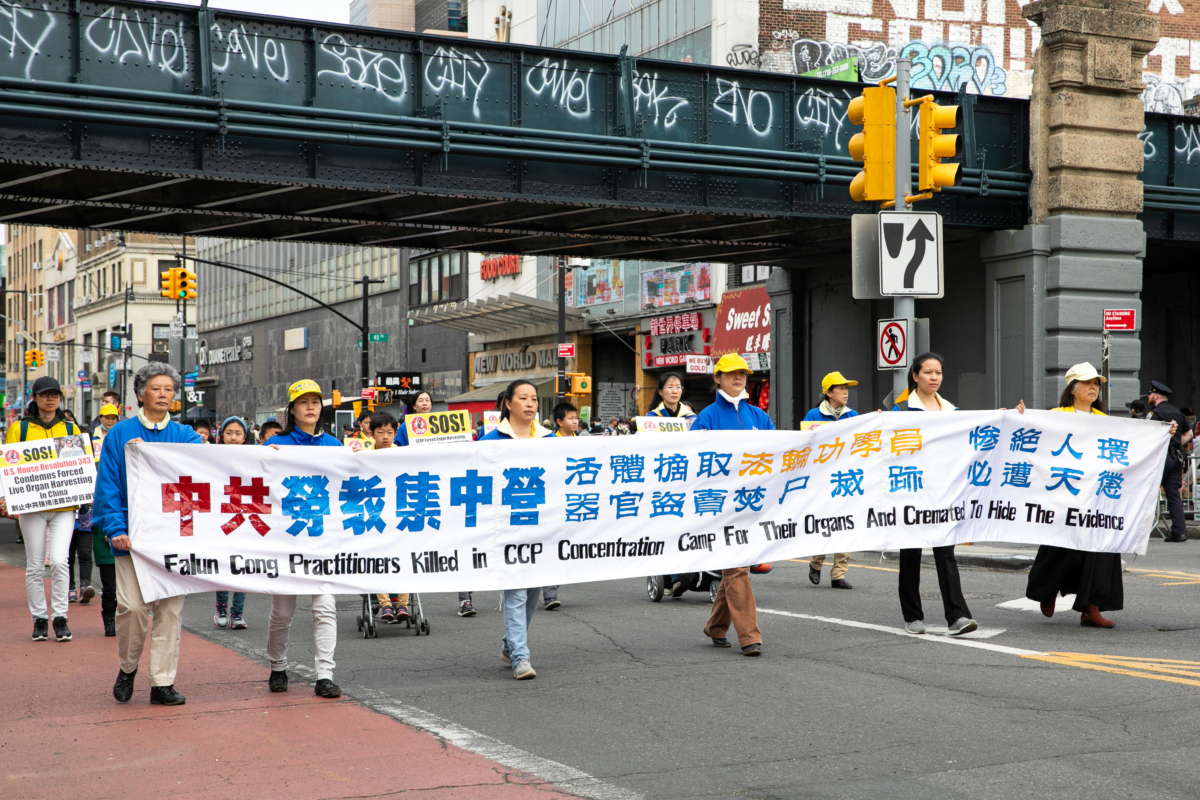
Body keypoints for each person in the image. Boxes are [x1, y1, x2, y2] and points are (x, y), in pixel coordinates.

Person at [94, 363, 202, 705]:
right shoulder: (119, 435)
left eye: (169, 389)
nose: (163, 394)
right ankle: (128, 668)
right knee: (132, 608)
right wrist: (115, 529)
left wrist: (264, 455)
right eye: (156, 388)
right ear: (140, 394)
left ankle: (162, 682)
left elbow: (213, 469)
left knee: (171, 610)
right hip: (132, 537)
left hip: (173, 537)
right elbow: (108, 486)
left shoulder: (186, 436)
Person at [1023, 363, 1129, 628]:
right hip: (1064, 493)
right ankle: (1046, 592)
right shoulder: (1056, 415)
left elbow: (1130, 444)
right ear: (1072, 389)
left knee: (1101, 549)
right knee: (1060, 547)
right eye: (1087, 382)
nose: (1093, 387)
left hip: (1096, 496)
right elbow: (1033, 437)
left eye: (1096, 383)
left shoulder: (1104, 419)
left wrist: (1163, 433)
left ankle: (1091, 608)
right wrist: (1020, 417)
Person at [263, 380, 343, 698]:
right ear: (292, 409)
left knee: (325, 608)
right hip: (287, 542)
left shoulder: (335, 446)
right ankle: (277, 666)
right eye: (303, 401)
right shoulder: (277, 446)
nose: (311, 406)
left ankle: (325, 675)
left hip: (323, 541)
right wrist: (265, 459)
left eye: (315, 401)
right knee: (282, 612)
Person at [691, 354, 773, 657]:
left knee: (734, 568)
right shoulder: (707, 418)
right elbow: (692, 463)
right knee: (737, 568)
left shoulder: (759, 416)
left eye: (742, 373)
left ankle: (715, 626)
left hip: (752, 505)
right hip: (719, 508)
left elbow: (777, 454)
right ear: (717, 378)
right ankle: (750, 637)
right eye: (731, 373)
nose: (738, 378)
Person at [892, 352, 978, 636]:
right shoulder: (901, 409)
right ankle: (912, 616)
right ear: (915, 376)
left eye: (938, 373)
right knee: (911, 553)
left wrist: (1008, 418)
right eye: (928, 372)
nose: (934, 377)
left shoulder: (952, 411)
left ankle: (957, 616)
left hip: (943, 492)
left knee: (946, 553)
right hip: (912, 491)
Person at [481, 379, 554, 679]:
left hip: (542, 525)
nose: (530, 404)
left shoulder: (550, 440)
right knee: (516, 591)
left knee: (534, 590)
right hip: (506, 527)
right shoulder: (490, 441)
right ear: (508, 403)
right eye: (523, 398)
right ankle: (520, 658)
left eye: (534, 399)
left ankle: (510, 645)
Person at [8, 377, 84, 642]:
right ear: (35, 397)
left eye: (54, 394)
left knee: (61, 561)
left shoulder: (72, 428)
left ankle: (60, 617)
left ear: (60, 398)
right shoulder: (20, 429)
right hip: (32, 506)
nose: (50, 399)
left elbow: (80, 467)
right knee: (35, 566)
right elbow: (9, 466)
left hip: (64, 506)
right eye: (45, 394)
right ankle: (39, 619)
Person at [803, 371, 860, 590]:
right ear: (828, 392)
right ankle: (816, 564)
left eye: (847, 388)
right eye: (841, 388)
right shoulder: (813, 416)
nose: (846, 392)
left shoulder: (852, 415)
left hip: (847, 478)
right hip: (822, 479)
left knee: (845, 523)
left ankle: (838, 574)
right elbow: (805, 445)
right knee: (824, 524)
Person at [367, 411, 410, 623]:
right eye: (380, 432)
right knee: (378, 560)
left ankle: (402, 604)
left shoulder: (403, 455)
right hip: (375, 515)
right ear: (372, 433)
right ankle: (385, 605)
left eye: (390, 432)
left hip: (399, 515)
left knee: (404, 558)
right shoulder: (363, 455)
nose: (385, 437)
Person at [213, 416, 251, 630]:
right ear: (221, 435)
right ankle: (221, 608)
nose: (233, 437)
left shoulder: (255, 456)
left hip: (245, 517)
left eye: (238, 433)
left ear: (245, 437)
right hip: (222, 517)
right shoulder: (211, 456)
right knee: (223, 565)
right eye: (229, 433)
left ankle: (237, 613)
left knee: (242, 566)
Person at [1147, 381, 1190, 543]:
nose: (1148, 397)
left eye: (1150, 394)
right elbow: (1189, 434)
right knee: (1173, 495)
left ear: (1156, 395)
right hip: (1175, 458)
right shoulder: (1178, 412)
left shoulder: (1155, 413)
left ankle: (1139, 531)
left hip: (1159, 458)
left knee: (1146, 491)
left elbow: (1147, 436)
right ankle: (1179, 532)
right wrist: (1175, 443)